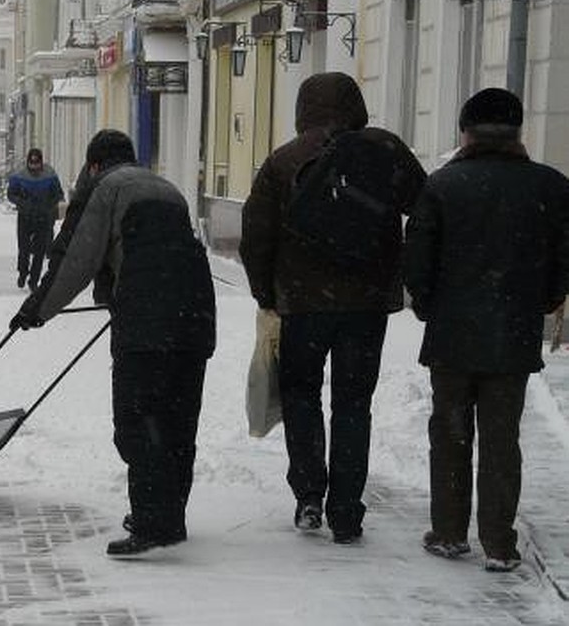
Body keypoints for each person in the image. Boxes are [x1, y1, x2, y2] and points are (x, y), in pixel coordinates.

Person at [239, 72, 426, 544]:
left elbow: (256, 236)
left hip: (301, 304)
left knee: (302, 395)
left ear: (304, 108)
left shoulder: (284, 161)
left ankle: (308, 496)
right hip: (365, 306)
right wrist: (402, 271)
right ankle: (346, 509)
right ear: (356, 106)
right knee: (353, 403)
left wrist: (267, 295)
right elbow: (426, 208)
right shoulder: (384, 151)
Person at [11, 130, 216, 557]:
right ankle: (168, 516)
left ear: (94, 165)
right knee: (178, 419)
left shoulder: (103, 189)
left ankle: (151, 523)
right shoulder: (168, 189)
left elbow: (76, 258)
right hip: (195, 315)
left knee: (138, 420)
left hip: (146, 318)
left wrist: (36, 310)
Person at [404, 88, 569, 572]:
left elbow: (418, 260)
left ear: (466, 132)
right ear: (519, 132)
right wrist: (545, 300)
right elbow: (563, 255)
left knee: (451, 434)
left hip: (452, 334)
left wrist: (431, 306)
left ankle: (450, 531)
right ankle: (499, 541)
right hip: (513, 333)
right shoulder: (550, 187)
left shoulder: (442, 185)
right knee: (502, 440)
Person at [7, 148, 65, 291]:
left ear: (41, 162)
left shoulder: (50, 174)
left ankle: (34, 279)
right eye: (32, 163)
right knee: (24, 248)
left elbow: (58, 193)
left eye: (37, 163)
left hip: (43, 217)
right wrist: (22, 202)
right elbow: (11, 194)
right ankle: (22, 271)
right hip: (25, 216)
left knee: (40, 250)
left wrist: (48, 205)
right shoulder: (19, 175)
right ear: (28, 162)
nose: (34, 167)